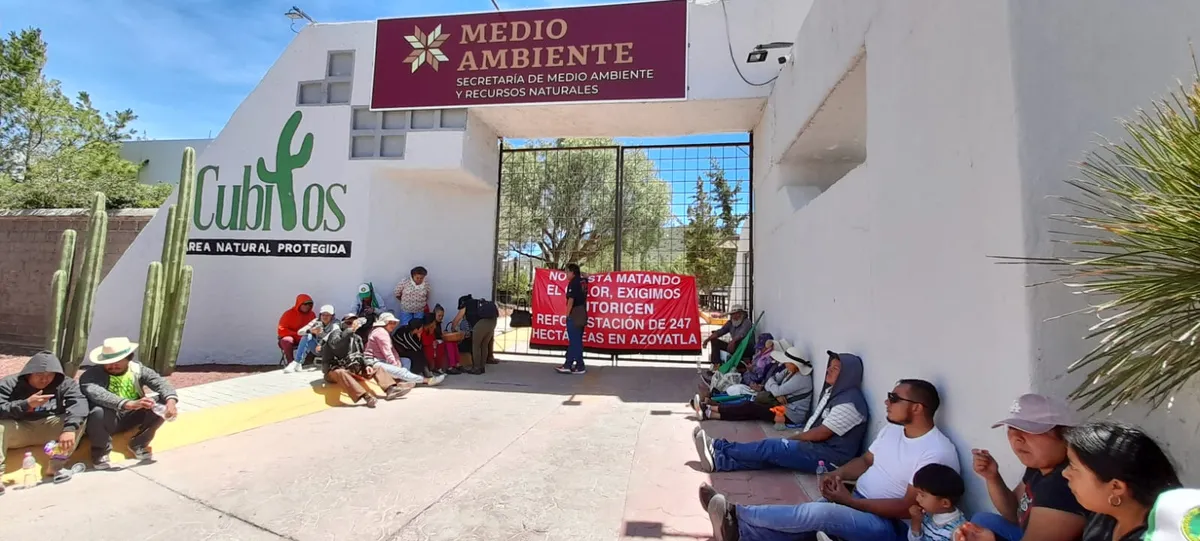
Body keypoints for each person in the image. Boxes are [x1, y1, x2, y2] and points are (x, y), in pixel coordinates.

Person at [701, 379, 960, 541]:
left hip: (891, 527)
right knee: (804, 525)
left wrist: (850, 501)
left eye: (894, 398)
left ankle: (736, 514)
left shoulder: (934, 451)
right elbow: (866, 461)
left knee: (818, 513)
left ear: (917, 407)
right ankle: (739, 533)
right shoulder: (893, 430)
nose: (886, 401)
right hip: (857, 500)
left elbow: (908, 508)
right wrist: (837, 476)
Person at [692, 351, 868, 474]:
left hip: (829, 459)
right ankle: (719, 462)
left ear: (848, 375)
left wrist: (793, 439)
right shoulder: (834, 392)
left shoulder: (850, 403)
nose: (828, 370)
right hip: (818, 449)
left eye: (835, 369)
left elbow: (820, 433)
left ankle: (718, 446)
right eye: (830, 366)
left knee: (771, 447)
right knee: (772, 456)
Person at [959, 393, 1087, 541]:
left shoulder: (1063, 485)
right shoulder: (1039, 466)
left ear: (1065, 435)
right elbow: (1014, 513)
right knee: (981, 519)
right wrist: (992, 477)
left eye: (1029, 430)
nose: (1016, 438)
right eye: (1011, 430)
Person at [1061, 422, 1180, 541]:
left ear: (1116, 487)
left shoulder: (1160, 536)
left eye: (1074, 467)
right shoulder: (1106, 516)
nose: (1065, 473)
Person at [80, 337, 178, 468]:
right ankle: (101, 452)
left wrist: (170, 402)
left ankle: (139, 443)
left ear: (128, 358)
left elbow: (161, 383)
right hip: (108, 420)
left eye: (117, 362)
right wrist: (129, 403)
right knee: (98, 411)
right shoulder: (90, 376)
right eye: (108, 362)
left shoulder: (138, 370)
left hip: (133, 415)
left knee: (160, 402)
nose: (112, 366)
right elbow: (98, 394)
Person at [0, 350, 89, 488]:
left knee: (79, 419)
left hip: (49, 425)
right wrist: (25, 405)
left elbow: (79, 403)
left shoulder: (65, 383)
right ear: (29, 373)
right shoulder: (9, 384)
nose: (44, 379)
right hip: (20, 427)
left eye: (50, 375)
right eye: (39, 375)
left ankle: (56, 467)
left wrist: (70, 428)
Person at [694, 351, 812, 424]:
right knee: (749, 410)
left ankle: (709, 407)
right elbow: (771, 380)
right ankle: (709, 413)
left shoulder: (801, 379)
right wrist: (775, 389)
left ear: (794, 364)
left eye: (787, 362)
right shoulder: (789, 372)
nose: (785, 364)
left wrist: (776, 389)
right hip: (782, 407)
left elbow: (774, 387)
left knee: (749, 407)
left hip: (790, 415)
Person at [320, 313, 407, 407]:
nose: (351, 325)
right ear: (342, 324)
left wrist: (367, 365)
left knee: (376, 366)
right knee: (341, 372)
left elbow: (361, 355)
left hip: (352, 367)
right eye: (348, 323)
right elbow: (335, 345)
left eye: (353, 323)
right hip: (334, 370)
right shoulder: (335, 334)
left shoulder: (357, 338)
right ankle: (366, 397)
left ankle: (390, 389)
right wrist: (350, 330)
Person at [365, 312, 443, 388]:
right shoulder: (381, 333)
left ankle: (404, 380)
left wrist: (397, 360)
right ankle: (427, 380)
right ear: (384, 323)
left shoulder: (384, 331)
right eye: (390, 323)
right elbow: (388, 353)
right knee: (402, 370)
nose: (393, 325)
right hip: (375, 362)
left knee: (406, 361)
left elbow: (393, 350)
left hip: (383, 360)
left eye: (394, 323)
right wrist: (396, 367)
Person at [909, 463, 968, 541]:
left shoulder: (956, 531)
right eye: (918, 494)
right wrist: (916, 521)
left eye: (922, 495)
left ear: (945, 503)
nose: (917, 499)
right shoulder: (926, 514)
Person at [556, 263, 589, 375]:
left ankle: (579, 365)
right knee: (576, 340)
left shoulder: (573, 283)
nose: (566, 274)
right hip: (582, 312)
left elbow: (571, 300)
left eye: (567, 272)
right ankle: (569, 364)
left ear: (572, 272)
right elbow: (587, 276)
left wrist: (567, 315)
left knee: (575, 341)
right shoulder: (583, 281)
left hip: (574, 313)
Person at [453, 294, 498, 375]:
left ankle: (476, 368)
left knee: (476, 346)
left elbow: (457, 319)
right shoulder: (477, 303)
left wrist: (453, 329)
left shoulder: (466, 304)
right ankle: (482, 367)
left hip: (482, 324)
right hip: (493, 322)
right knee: (484, 345)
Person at [285, 304, 334, 373]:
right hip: (317, 349)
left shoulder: (335, 322)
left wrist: (322, 341)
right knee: (307, 336)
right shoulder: (316, 321)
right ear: (320, 315)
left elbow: (335, 332)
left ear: (332, 316)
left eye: (328, 315)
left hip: (330, 350)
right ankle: (297, 362)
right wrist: (310, 330)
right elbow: (299, 332)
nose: (325, 317)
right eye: (323, 315)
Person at [392, 314, 437, 379]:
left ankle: (426, 372)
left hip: (406, 348)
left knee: (419, 353)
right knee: (417, 354)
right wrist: (419, 337)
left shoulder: (411, 332)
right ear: (416, 329)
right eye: (421, 327)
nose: (422, 328)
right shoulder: (406, 335)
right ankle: (425, 373)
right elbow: (417, 348)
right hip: (399, 351)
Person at [278, 294, 316, 366]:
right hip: (292, 338)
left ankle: (307, 363)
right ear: (299, 303)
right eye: (305, 304)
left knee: (318, 341)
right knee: (287, 340)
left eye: (310, 304)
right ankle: (291, 363)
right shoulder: (288, 314)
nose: (307, 306)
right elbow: (281, 330)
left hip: (305, 338)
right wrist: (297, 334)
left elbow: (314, 328)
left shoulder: (312, 314)